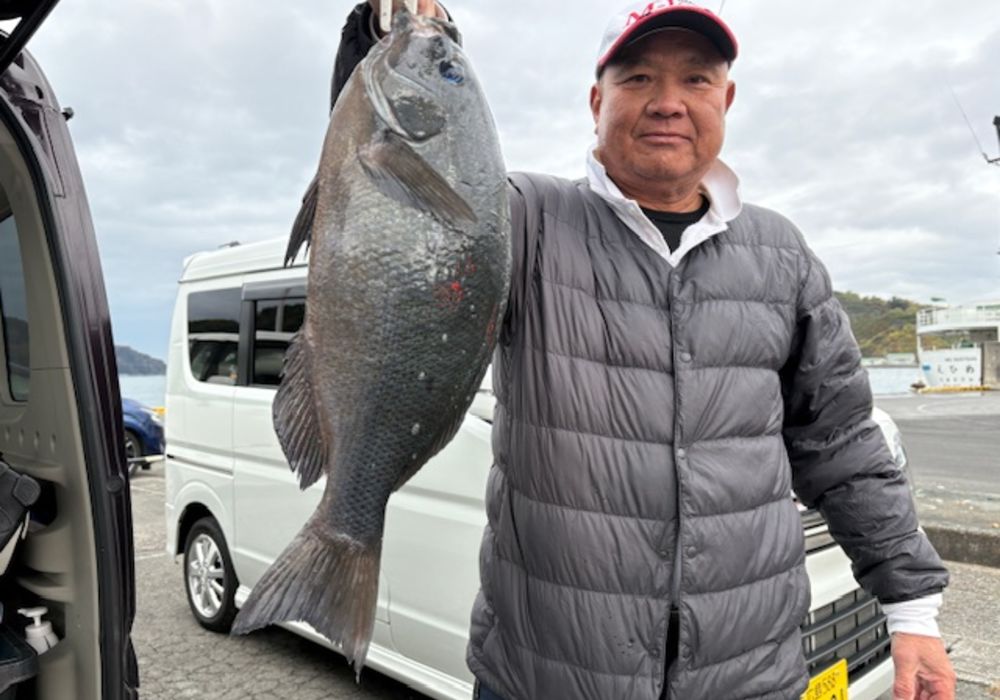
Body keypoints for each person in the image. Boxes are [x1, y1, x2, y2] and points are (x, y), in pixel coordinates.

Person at [327, 1, 956, 698]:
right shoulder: (524, 221)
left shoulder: (782, 256)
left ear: (728, 98)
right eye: (636, 80)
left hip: (749, 678)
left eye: (695, 80)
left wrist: (912, 610)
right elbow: (395, 187)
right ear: (596, 101)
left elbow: (843, 447)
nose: (667, 103)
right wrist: (388, 35)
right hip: (547, 677)